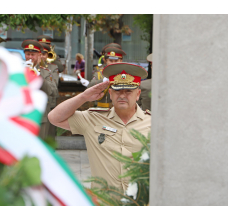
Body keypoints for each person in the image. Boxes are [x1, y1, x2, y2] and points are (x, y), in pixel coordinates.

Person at [48, 63, 151, 191]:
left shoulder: (153, 123)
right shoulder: (93, 119)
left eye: (128, 91)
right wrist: (84, 97)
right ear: (111, 94)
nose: (123, 95)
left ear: (138, 94)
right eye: (118, 91)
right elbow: (54, 118)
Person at [21, 40, 57, 139]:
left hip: (40, 114)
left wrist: (38, 76)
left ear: (39, 55)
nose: (30, 57)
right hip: (22, 113)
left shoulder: (45, 72)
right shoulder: (19, 69)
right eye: (28, 54)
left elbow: (53, 91)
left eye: (33, 54)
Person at [88, 46, 126, 111]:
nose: (113, 63)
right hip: (101, 109)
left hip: (119, 110)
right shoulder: (99, 73)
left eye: (116, 61)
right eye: (110, 61)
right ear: (106, 61)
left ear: (121, 61)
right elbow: (89, 87)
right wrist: (103, 80)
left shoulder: (125, 75)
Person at [38, 41, 59, 138]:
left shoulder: (51, 68)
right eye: (40, 54)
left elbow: (54, 87)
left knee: (48, 134)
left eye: (44, 54)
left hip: (48, 103)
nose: (42, 56)